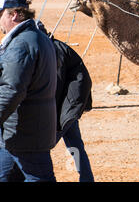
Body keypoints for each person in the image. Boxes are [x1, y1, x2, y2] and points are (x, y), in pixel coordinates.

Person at [0, 0, 57, 182]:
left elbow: (11, 90)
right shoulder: (39, 37)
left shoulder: (20, 45)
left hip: (24, 131)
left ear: (14, 14)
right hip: (25, 131)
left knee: (39, 178)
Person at [36, 20, 95, 182]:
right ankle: (87, 179)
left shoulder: (43, 52)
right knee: (76, 148)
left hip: (55, 113)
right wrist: (79, 107)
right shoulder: (63, 48)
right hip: (69, 112)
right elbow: (83, 78)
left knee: (38, 149)